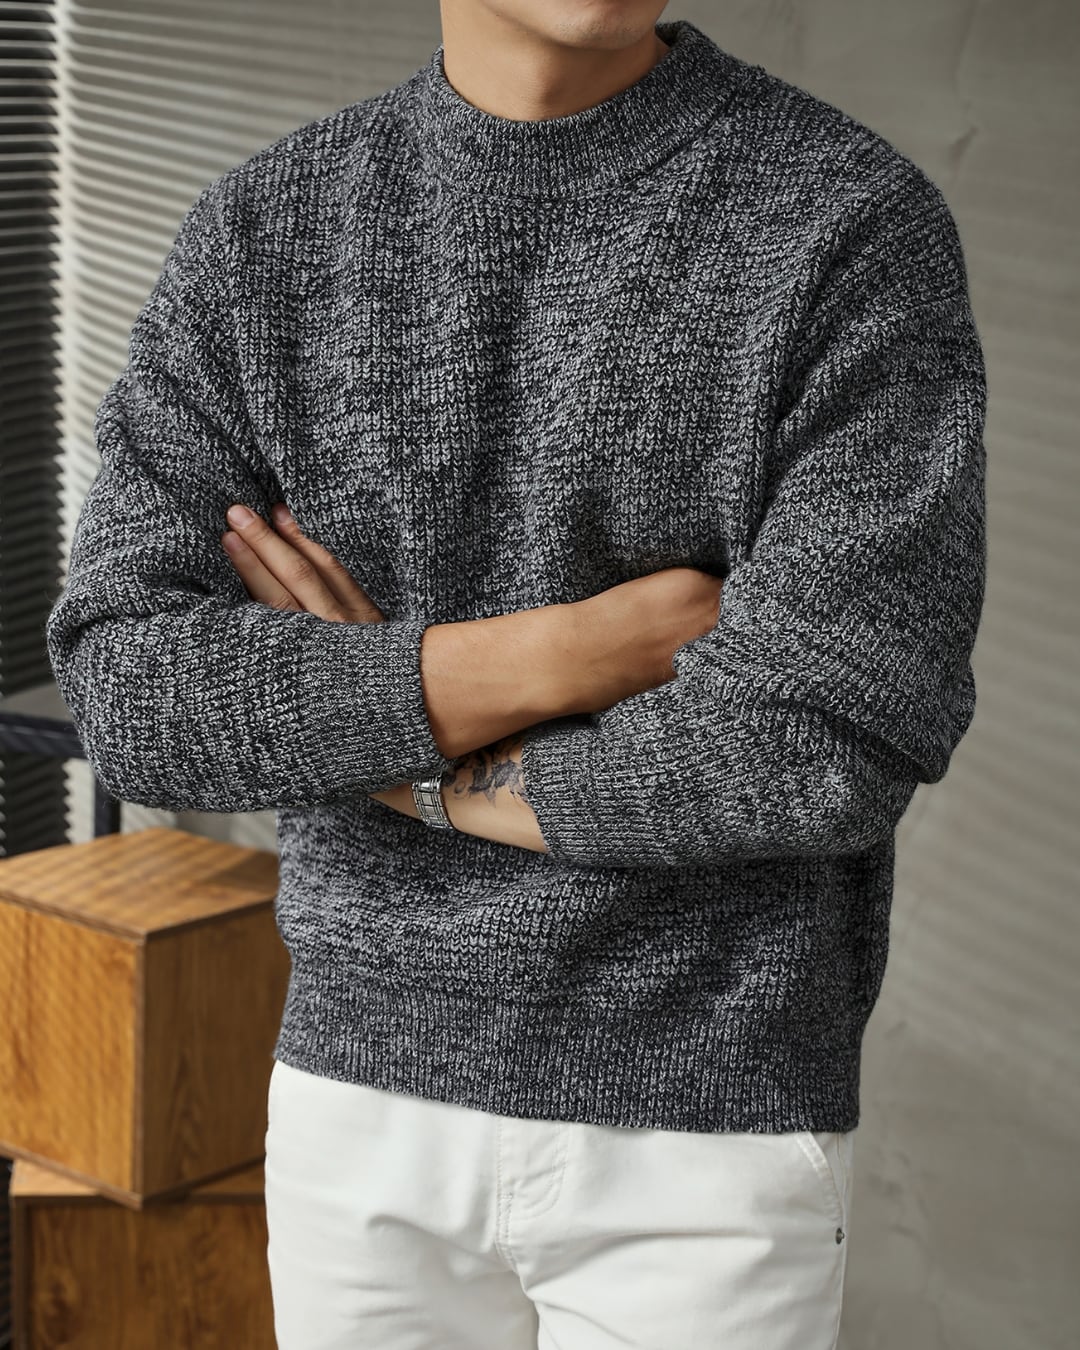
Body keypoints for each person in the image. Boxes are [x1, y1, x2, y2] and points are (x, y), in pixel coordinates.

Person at [45, 2, 988, 1347]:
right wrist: (575, 649)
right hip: (357, 1103)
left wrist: (396, 750)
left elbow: (823, 738)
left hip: (705, 1127)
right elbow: (133, 689)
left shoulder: (843, 222)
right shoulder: (263, 231)